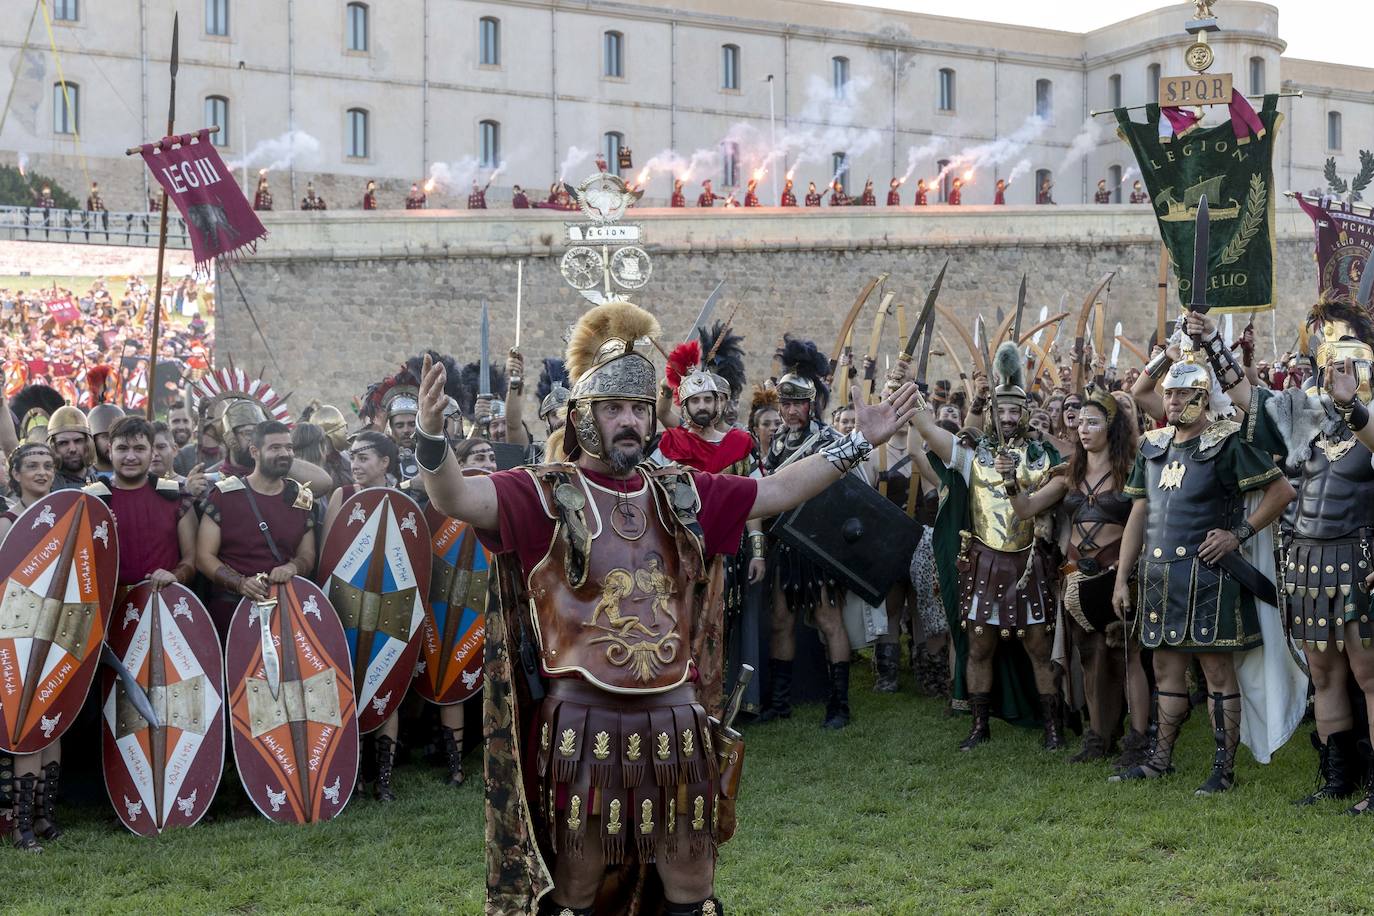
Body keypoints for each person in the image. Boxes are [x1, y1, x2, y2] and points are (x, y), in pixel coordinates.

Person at [414, 296, 919, 914]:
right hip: (581, 725)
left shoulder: (680, 493)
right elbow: (457, 499)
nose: (629, 420)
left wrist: (856, 443)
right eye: (613, 408)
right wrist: (431, 440)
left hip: (676, 720)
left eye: (638, 408)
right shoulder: (543, 494)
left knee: (692, 881)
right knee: (577, 888)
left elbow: (774, 490)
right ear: (583, 416)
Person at [1203, 302, 1374, 808]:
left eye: (1349, 365)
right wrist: (1212, 342)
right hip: (1308, 563)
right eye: (1331, 366)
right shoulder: (1308, 417)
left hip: (1360, 559)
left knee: (1369, 675)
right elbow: (1248, 398)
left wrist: (1353, 406)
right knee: (1323, 674)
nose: (1339, 374)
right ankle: (1338, 779)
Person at [1110, 357, 1292, 793]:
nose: (1172, 401)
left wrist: (1238, 534)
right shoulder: (1152, 445)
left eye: (1182, 393)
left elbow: (1281, 491)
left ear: (1202, 396)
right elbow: (1139, 514)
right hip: (1159, 576)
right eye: (1169, 393)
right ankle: (1159, 760)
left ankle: (1222, 769)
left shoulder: (1227, 442)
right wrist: (1121, 578)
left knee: (1216, 672)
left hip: (1210, 575)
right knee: (1165, 667)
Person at [911, 341, 1064, 750]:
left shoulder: (1043, 457)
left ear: (1026, 413)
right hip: (984, 563)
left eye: (1015, 411)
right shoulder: (972, 454)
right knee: (979, 646)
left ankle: (1052, 726)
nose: (1008, 418)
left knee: (1039, 647)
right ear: (993, 412)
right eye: (1002, 410)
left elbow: (1052, 496)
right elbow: (927, 429)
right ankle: (980, 725)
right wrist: (904, 389)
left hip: (1029, 563)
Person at [1006, 386, 1144, 762]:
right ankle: (1098, 738)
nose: (1083, 429)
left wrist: (1126, 573)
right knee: (1089, 659)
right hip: (1076, 577)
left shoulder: (1132, 470)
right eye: (1081, 422)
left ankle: (1138, 740)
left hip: (1119, 574)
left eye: (1092, 422)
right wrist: (1010, 481)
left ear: (1111, 427)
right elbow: (1026, 509)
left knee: (1127, 658)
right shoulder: (1069, 473)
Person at [754, 337, 864, 729]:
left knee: (827, 618)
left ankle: (839, 704)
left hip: (819, 543)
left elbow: (849, 492)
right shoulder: (777, 442)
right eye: (785, 403)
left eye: (797, 403)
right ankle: (780, 703)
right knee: (781, 619)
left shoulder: (829, 440)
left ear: (811, 403)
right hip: (786, 542)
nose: (789, 411)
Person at [320, 430, 408, 800]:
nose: (354, 464)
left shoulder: (404, 499)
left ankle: (384, 778)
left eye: (363, 457)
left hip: (391, 608)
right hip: (347, 607)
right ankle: (354, 771)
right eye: (352, 456)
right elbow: (328, 555)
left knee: (386, 683)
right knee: (350, 685)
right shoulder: (342, 495)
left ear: (385, 462)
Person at [195, 420, 318, 637]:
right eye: (275, 448)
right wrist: (240, 583)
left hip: (284, 609)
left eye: (289, 447)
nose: (284, 453)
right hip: (232, 610)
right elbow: (204, 557)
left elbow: (307, 554)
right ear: (255, 452)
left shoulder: (300, 498)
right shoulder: (224, 495)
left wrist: (293, 568)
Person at [0, 443, 60, 851]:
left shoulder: (67, 515)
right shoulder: (7, 522)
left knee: (55, 720)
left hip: (57, 633)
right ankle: (20, 825)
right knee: (27, 725)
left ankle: (44, 816)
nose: (42, 472)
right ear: (16, 474)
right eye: (33, 466)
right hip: (17, 637)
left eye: (48, 465)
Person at [85, 416, 197, 592]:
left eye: (139, 448)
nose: (130, 457)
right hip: (108, 604)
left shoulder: (177, 496)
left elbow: (192, 558)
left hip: (162, 600)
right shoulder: (90, 500)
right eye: (122, 448)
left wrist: (175, 575)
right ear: (110, 450)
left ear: (152, 452)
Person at [45, 405, 96, 490]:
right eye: (63, 443)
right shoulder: (46, 486)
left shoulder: (99, 480)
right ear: (53, 446)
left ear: (87, 443)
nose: (73, 449)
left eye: (78, 441)